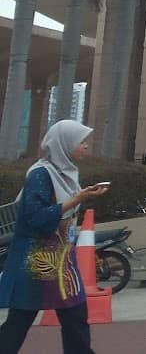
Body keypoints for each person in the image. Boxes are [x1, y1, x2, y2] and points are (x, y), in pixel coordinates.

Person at [0, 119, 111, 354]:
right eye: (81, 142)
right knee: (20, 319)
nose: (85, 147)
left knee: (76, 315)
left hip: (62, 261)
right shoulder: (40, 174)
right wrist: (77, 200)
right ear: (64, 144)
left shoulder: (67, 173)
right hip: (37, 261)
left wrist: (81, 197)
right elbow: (35, 216)